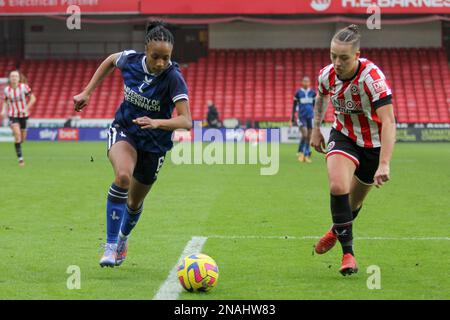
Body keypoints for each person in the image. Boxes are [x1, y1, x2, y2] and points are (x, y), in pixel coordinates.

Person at [73, 21, 192, 268]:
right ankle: (109, 246)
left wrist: (157, 123)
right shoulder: (129, 59)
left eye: (166, 57)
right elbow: (109, 61)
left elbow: (186, 121)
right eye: (156, 56)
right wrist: (87, 92)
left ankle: (123, 239)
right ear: (146, 50)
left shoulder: (173, 78)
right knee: (123, 177)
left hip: (154, 145)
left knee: (134, 203)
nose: (161, 62)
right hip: (125, 130)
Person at [310, 25, 396, 276]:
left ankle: (335, 231)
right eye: (333, 55)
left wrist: (385, 163)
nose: (337, 62)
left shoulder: (372, 78)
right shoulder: (327, 74)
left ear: (357, 55)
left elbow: (389, 122)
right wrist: (316, 128)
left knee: (353, 202)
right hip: (343, 136)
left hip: (373, 146)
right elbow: (321, 97)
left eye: (344, 57)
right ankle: (348, 254)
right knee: (338, 186)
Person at [1, 70, 36, 166]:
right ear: (10, 78)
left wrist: (26, 108)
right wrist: (3, 110)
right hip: (13, 115)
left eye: (16, 76)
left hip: (24, 116)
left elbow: (33, 98)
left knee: (22, 139)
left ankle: (17, 135)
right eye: (12, 76)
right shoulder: (7, 89)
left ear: (19, 78)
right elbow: (5, 101)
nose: (14, 78)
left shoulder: (24, 87)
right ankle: (20, 160)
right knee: (17, 135)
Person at [291, 76, 316, 163]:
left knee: (309, 136)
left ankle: (306, 153)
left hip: (310, 117)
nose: (306, 83)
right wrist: (292, 117)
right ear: (302, 82)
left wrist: (318, 117)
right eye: (304, 81)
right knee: (305, 134)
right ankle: (302, 153)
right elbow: (294, 106)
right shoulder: (298, 93)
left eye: (307, 81)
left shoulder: (313, 93)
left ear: (309, 83)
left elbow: (315, 105)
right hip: (301, 117)